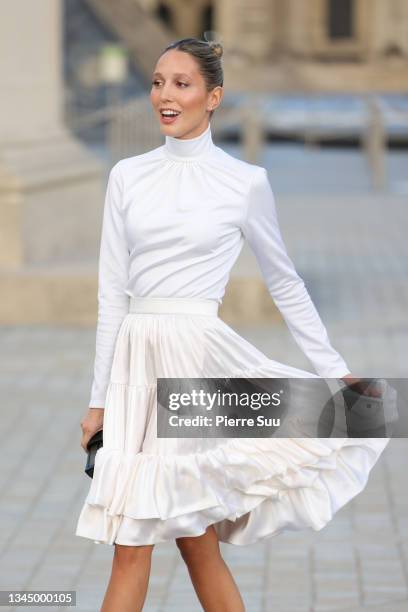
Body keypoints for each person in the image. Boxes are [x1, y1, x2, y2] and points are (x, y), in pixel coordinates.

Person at [75, 35, 390, 612]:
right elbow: (110, 297)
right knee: (176, 543)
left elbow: (286, 283)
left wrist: (335, 372)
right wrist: (99, 401)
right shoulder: (126, 176)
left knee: (151, 544)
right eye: (157, 82)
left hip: (198, 366)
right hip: (134, 369)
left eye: (182, 84)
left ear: (213, 96)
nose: (164, 96)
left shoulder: (245, 183)